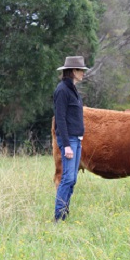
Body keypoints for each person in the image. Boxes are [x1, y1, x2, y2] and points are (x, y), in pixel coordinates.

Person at [53, 56, 89, 222]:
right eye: (80, 70)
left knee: (72, 178)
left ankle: (64, 212)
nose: (82, 73)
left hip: (76, 139)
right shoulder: (62, 90)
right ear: (73, 71)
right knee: (67, 178)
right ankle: (58, 216)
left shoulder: (72, 90)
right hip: (69, 141)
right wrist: (66, 145)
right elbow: (60, 119)